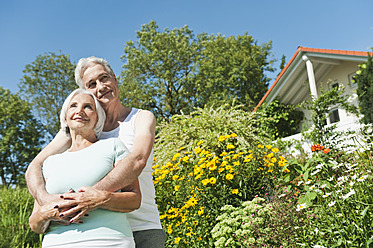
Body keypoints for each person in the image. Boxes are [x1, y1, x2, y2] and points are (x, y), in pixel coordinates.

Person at [25, 57, 166, 247]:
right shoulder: (76, 127)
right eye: (92, 84)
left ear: (115, 79)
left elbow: (137, 160)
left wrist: (88, 198)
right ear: (85, 91)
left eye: (104, 78)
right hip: (89, 227)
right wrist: (46, 201)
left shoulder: (140, 118)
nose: (100, 87)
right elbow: (34, 166)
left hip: (141, 225)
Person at [29, 89, 141, 247]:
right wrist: (45, 214)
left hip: (108, 242)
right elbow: (35, 224)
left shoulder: (113, 146)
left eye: (88, 107)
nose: (80, 111)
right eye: (73, 106)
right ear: (66, 117)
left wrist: (102, 199)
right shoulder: (50, 162)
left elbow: (135, 200)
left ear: (97, 118)